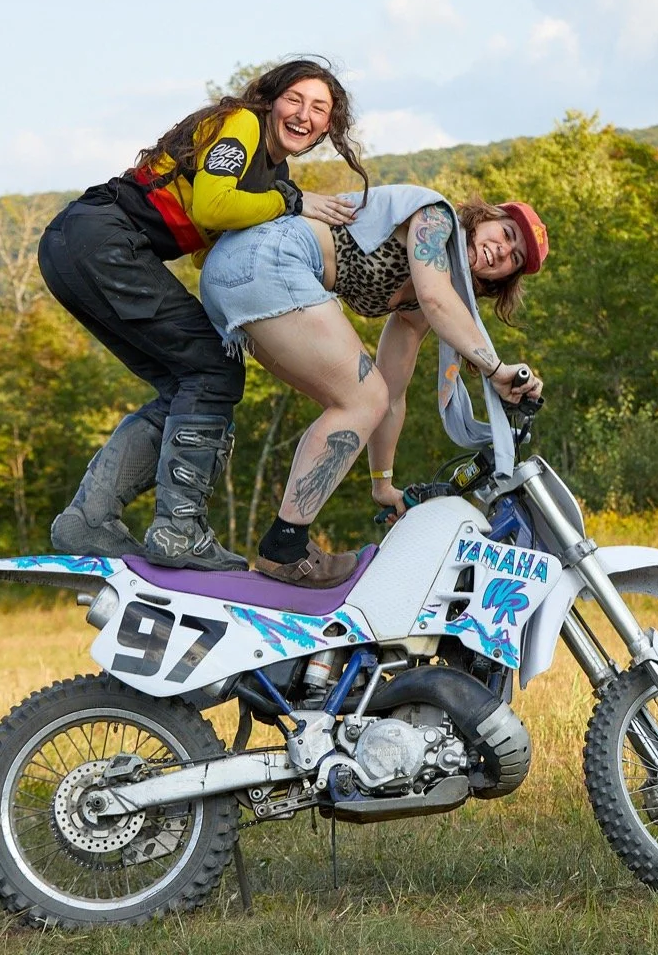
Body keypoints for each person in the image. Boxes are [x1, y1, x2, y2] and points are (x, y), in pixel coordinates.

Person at [38, 59, 368, 571]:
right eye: (295, 100)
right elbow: (214, 208)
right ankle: (178, 531)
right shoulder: (244, 125)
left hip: (79, 246)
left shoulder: (271, 171)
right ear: (271, 99)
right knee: (212, 369)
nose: (304, 114)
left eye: (319, 109)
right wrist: (290, 202)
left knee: (189, 380)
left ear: (330, 125)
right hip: (103, 239)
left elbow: (210, 248)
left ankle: (90, 518)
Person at [199, 184, 548, 588]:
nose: (503, 251)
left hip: (235, 278)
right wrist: (495, 368)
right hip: (266, 259)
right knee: (363, 396)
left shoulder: (418, 302)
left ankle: (269, 542)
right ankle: (285, 548)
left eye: (514, 258)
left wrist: (383, 484)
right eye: (506, 234)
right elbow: (438, 301)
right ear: (485, 217)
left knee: (360, 399)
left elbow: (392, 395)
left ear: (506, 278)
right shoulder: (435, 218)